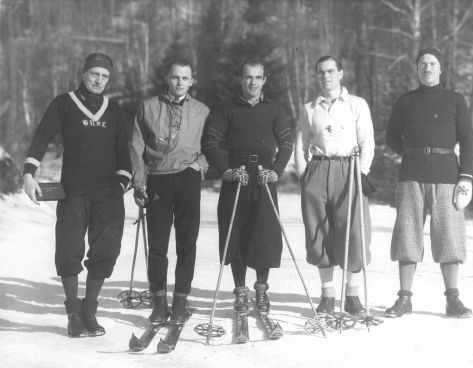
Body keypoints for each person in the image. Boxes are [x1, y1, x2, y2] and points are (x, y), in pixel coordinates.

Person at [23, 52, 131, 337]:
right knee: (69, 250)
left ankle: (90, 312)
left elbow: (124, 152)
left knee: (105, 251)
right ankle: (73, 314)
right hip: (72, 191)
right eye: (95, 73)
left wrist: (121, 183)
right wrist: (28, 172)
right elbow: (41, 137)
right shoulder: (64, 103)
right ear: (84, 73)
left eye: (105, 76)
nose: (99, 80)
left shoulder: (114, 109)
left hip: (107, 194)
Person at [384, 47, 473, 318]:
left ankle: (453, 300)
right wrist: (413, 154)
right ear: (417, 68)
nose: (427, 67)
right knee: (407, 236)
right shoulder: (406, 101)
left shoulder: (455, 100)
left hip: (447, 176)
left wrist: (466, 178)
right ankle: (404, 299)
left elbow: (468, 140)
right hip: (411, 176)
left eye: (432, 63)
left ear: (440, 68)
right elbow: (391, 137)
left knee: (449, 238)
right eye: (423, 63)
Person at [201, 59, 293, 314]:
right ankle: (241, 292)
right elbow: (210, 142)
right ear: (241, 79)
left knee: (264, 234)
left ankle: (261, 290)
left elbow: (286, 143)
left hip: (263, 177)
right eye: (248, 77)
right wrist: (226, 170)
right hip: (237, 177)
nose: (252, 82)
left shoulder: (274, 109)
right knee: (236, 234)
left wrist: (275, 171)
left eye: (257, 77)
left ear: (265, 80)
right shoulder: (227, 109)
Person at [130, 58, 209, 324]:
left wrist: (200, 165)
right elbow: (136, 145)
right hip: (158, 179)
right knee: (158, 244)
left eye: (185, 78)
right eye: (175, 77)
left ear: (192, 81)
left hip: (187, 178)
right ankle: (159, 302)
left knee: (187, 243)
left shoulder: (202, 111)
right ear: (167, 77)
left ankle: (180, 301)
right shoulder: (148, 106)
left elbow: (211, 144)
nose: (179, 82)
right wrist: (139, 181)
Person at [294, 56, 375, 317]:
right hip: (318, 168)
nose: (325, 76)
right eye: (320, 72)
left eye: (330, 71)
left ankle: (352, 296)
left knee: (353, 232)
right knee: (319, 232)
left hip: (348, 168)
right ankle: (327, 295)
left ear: (341, 73)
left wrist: (362, 172)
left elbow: (367, 141)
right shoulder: (309, 108)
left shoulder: (356, 104)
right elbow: (300, 143)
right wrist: (304, 174)